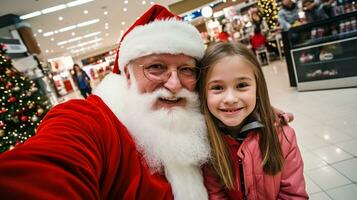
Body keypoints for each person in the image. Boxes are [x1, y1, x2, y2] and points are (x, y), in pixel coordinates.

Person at [0, 5, 293, 200]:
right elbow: (46, 171)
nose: (174, 84)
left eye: (187, 70)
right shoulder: (91, 119)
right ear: (127, 73)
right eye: (156, 67)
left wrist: (255, 114)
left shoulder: (197, 115)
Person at [198, 42, 308, 199]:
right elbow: (216, 195)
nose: (230, 99)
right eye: (217, 87)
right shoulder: (207, 144)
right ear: (203, 93)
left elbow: (294, 195)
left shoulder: (283, 136)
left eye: (242, 85)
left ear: (258, 88)